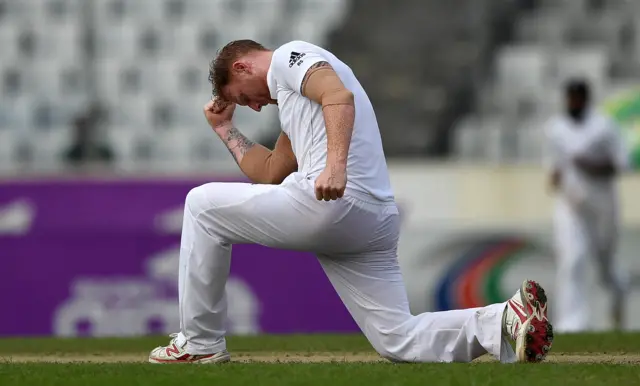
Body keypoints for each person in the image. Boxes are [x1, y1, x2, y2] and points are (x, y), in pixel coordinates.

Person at [148, 40, 553, 364]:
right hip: (371, 220)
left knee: (201, 205)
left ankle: (199, 343)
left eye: (243, 98)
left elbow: (337, 96)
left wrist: (335, 167)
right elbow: (272, 171)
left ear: (242, 67)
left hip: (332, 200)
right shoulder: (293, 100)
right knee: (398, 339)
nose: (254, 106)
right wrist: (224, 129)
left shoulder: (291, 56)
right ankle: (503, 320)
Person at [545, 79, 630, 332]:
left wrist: (591, 166)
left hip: (602, 205)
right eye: (569, 98)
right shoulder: (555, 128)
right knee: (572, 259)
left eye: (576, 99)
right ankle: (572, 322)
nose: (572, 103)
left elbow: (621, 164)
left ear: (585, 99)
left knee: (604, 262)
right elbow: (553, 167)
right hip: (571, 206)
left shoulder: (604, 126)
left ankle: (618, 290)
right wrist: (556, 178)